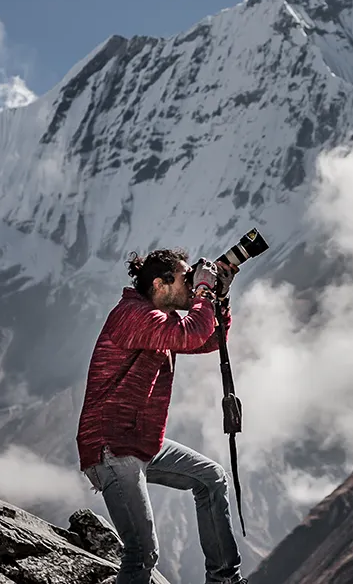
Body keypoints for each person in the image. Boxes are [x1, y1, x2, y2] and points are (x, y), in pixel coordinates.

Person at [76, 247, 246, 584]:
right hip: (112, 448)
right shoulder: (134, 316)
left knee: (211, 480)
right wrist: (203, 292)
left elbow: (210, 339)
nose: (190, 283)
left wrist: (219, 301)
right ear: (160, 284)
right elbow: (192, 333)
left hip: (140, 441)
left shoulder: (158, 319)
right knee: (142, 553)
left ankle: (225, 579)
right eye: (185, 279)